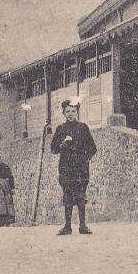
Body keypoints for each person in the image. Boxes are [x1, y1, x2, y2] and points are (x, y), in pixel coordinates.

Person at [50, 99, 97, 235]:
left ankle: (83, 226)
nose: (70, 114)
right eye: (67, 111)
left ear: (77, 112)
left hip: (81, 168)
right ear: (63, 113)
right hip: (65, 168)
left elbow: (92, 148)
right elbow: (53, 149)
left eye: (73, 111)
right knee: (67, 196)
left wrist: (84, 159)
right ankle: (67, 226)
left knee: (81, 195)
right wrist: (62, 145)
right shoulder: (60, 129)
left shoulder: (83, 128)